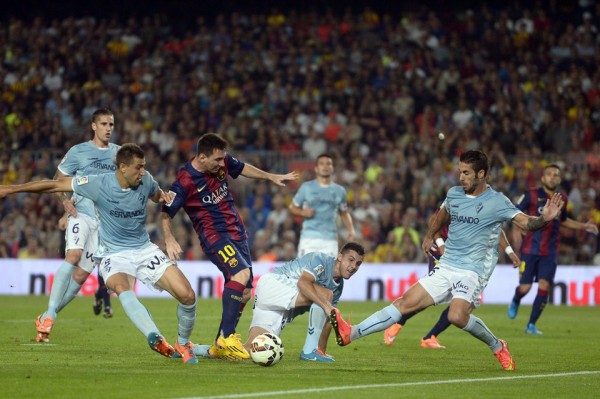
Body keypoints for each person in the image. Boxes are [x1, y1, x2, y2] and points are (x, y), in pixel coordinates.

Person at [329, 150, 565, 371]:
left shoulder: (498, 201)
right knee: (404, 303)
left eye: (466, 173)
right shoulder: (454, 194)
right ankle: (352, 333)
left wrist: (544, 219)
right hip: (447, 265)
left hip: (474, 270)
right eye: (459, 172)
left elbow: (525, 223)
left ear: (481, 174)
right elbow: (441, 217)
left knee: (456, 316)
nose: (460, 177)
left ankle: (498, 346)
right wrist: (430, 235)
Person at [1, 144, 199, 364]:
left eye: (144, 167)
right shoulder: (98, 184)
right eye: (138, 167)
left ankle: (183, 343)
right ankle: (155, 337)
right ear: (122, 167)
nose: (142, 172)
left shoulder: (146, 180)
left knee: (187, 295)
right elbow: (54, 185)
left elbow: (156, 194)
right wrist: (11, 189)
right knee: (122, 287)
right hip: (111, 254)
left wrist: (164, 197)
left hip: (143, 249)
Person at [160, 133, 298, 361]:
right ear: (202, 157)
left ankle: (218, 346)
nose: (221, 164)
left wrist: (269, 176)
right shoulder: (185, 180)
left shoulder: (221, 161)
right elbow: (166, 213)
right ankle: (227, 336)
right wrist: (169, 239)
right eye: (216, 160)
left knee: (244, 293)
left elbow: (242, 168)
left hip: (237, 233)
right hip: (214, 236)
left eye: (222, 159)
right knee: (240, 274)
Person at [33, 108, 119, 343]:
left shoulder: (119, 154)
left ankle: (48, 316)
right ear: (93, 126)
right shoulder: (78, 151)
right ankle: (50, 315)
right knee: (73, 255)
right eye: (103, 124)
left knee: (81, 276)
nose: (108, 128)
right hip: (80, 211)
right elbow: (57, 180)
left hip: (104, 222)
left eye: (111, 124)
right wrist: (63, 203)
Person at [384, 216, 521, 348]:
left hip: (465, 260)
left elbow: (497, 230)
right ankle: (398, 323)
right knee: (430, 296)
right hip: (443, 255)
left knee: (463, 304)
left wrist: (510, 252)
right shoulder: (457, 201)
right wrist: (441, 244)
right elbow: (434, 221)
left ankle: (430, 337)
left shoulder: (485, 207)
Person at [507, 164, 598, 335]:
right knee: (525, 288)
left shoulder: (562, 198)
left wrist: (583, 226)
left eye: (556, 175)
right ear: (543, 178)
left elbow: (563, 220)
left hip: (550, 252)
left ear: (560, 179)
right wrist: (518, 230)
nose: (553, 177)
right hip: (530, 250)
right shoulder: (531, 194)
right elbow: (513, 214)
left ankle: (531, 325)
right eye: (549, 174)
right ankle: (516, 299)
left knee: (544, 285)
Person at [244, 242, 365, 363]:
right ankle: (309, 351)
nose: (353, 266)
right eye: (351, 260)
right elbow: (303, 283)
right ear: (340, 257)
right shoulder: (321, 260)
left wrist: (321, 351)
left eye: (358, 264)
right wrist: (326, 305)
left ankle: (226, 349)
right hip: (273, 284)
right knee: (326, 295)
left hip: (279, 305)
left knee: (252, 347)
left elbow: (328, 319)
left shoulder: (338, 287)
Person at [288, 153, 356, 361]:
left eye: (329, 163)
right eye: (323, 163)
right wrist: (302, 213)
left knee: (329, 290)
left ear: (332, 168)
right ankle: (293, 314)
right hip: (309, 239)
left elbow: (344, 212)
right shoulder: (307, 187)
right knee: (302, 282)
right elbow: (292, 206)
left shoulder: (339, 191)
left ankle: (318, 344)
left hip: (329, 240)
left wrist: (351, 231)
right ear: (316, 168)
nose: (326, 166)